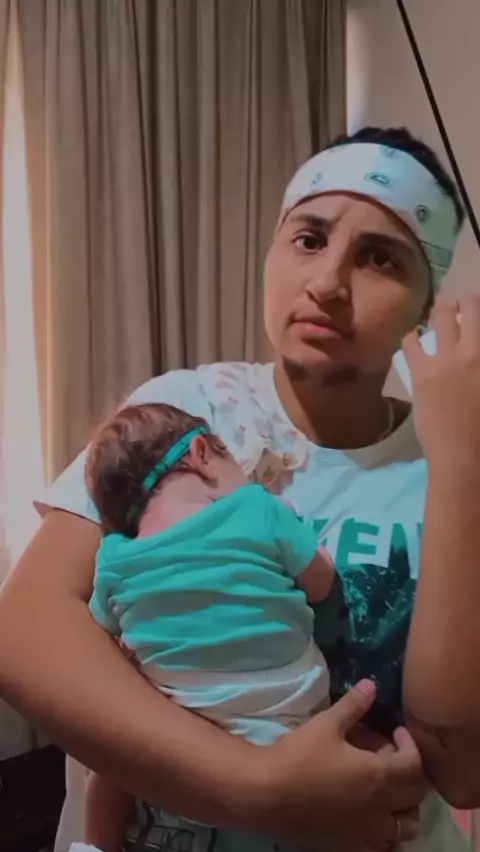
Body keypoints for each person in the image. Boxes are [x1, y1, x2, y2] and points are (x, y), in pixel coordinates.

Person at [0, 125, 478, 852]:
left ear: (425, 308)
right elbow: (25, 633)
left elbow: (460, 769)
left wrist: (464, 467)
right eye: (308, 238)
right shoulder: (184, 411)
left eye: (380, 257)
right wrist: (258, 790)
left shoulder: (450, 464)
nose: (326, 282)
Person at [79, 400, 334, 852]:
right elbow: (321, 584)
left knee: (106, 763)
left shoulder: (115, 556)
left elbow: (106, 628)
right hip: (290, 717)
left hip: (184, 746)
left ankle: (94, 845)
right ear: (201, 453)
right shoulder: (257, 507)